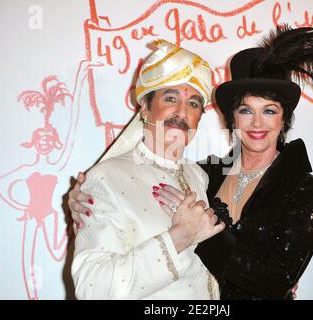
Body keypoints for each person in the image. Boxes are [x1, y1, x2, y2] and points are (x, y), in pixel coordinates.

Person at [70, 26, 313, 299]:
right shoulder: (206, 174)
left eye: (269, 111)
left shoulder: (302, 189)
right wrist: (80, 199)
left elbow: (276, 281)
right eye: (246, 110)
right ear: (232, 118)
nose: (257, 122)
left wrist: (200, 234)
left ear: (284, 120)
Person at [70, 39, 226, 300]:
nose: (181, 113)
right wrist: (178, 238)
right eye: (170, 98)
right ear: (144, 106)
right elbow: (92, 289)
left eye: (194, 104)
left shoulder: (198, 175)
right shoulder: (104, 178)